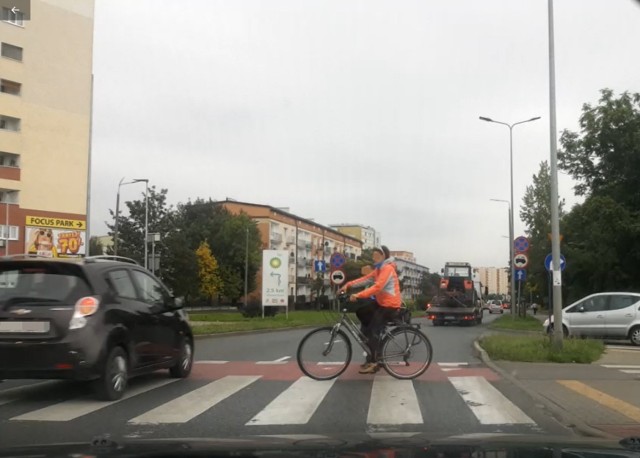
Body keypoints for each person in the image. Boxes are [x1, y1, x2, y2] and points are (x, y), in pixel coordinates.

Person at [338, 245, 402, 374]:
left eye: (375, 256)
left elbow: (377, 287)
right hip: (381, 303)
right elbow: (365, 279)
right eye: (373, 256)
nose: (373, 258)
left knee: (373, 330)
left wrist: (358, 295)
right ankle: (370, 344)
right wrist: (348, 285)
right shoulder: (379, 270)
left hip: (390, 306)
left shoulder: (387, 269)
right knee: (361, 312)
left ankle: (375, 361)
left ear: (383, 256)